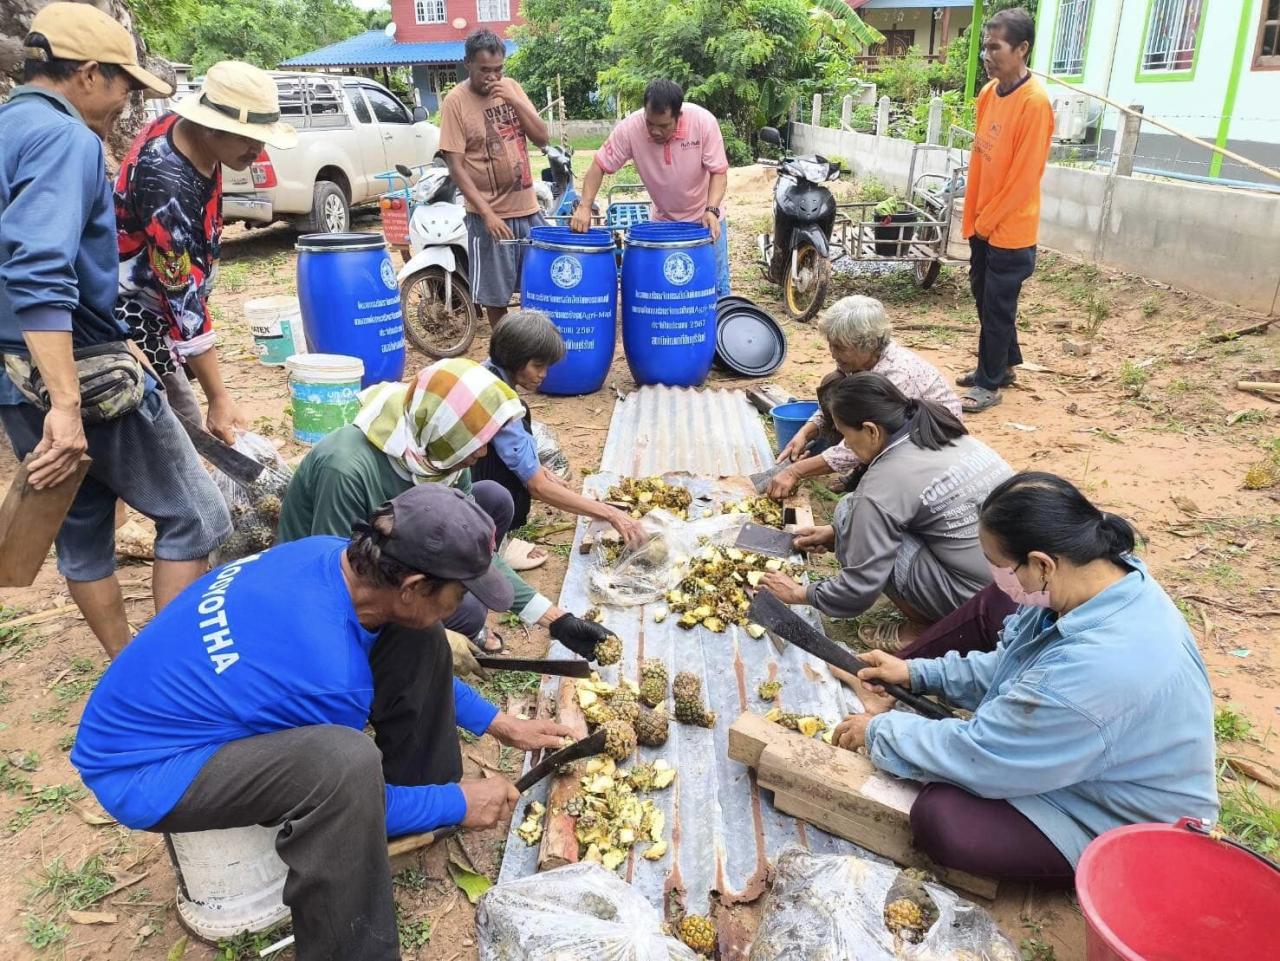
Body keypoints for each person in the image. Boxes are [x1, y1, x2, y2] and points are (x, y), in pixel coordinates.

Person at [71, 484, 573, 961]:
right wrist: (458, 801)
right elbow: (342, 793)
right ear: (415, 584)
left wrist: (497, 723)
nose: (465, 604)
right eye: (460, 592)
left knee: (419, 635)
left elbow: (400, 646)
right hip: (144, 768)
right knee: (345, 763)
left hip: (167, 704)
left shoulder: (336, 559)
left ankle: (424, 797)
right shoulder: (330, 678)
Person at [831, 472, 1219, 884]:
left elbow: (982, 756)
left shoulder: (1096, 669)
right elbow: (1013, 665)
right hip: (1085, 762)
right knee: (993, 611)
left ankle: (1113, 866)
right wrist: (914, 673)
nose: (998, 577)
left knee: (943, 819)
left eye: (1000, 566)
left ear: (1042, 564)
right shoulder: (1095, 582)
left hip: (1130, 820)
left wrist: (881, 732)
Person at [0, 4, 230, 659]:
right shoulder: (64, 139)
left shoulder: (9, 128)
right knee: (197, 513)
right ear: (88, 74)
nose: (128, 99)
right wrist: (68, 403)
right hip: (80, 376)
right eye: (125, 83)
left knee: (83, 526)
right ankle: (174, 675)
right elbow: (39, 267)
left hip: (17, 371)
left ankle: (127, 663)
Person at [277, 357, 630, 659]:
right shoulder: (348, 470)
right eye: (477, 443)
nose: (482, 453)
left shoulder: (438, 452)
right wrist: (428, 641)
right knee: (470, 609)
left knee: (492, 499)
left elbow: (475, 547)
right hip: (332, 576)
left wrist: (555, 619)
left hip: (392, 551)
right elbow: (337, 580)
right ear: (446, 429)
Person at [115, 60, 296, 440]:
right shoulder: (166, 183)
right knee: (180, 430)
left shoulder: (193, 140)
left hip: (167, 309)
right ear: (212, 127)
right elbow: (179, 293)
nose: (258, 148)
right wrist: (219, 396)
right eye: (248, 137)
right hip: (136, 314)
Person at [760, 373, 1012, 634]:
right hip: (1028, 594)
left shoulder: (883, 482)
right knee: (854, 516)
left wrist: (800, 593)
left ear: (871, 430)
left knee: (850, 508)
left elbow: (856, 593)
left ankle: (924, 629)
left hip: (984, 610)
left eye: (846, 436)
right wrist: (836, 533)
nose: (847, 445)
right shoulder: (943, 432)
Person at [474, 308, 646, 571]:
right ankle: (489, 542)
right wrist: (611, 514)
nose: (543, 374)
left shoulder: (483, 372)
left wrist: (537, 468)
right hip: (449, 485)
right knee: (516, 488)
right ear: (514, 357)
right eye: (537, 365)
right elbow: (538, 488)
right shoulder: (502, 404)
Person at [769, 296, 961, 499]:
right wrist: (805, 433)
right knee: (833, 382)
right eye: (831, 345)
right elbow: (838, 404)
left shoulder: (896, 375)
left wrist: (795, 471)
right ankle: (863, 468)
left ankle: (869, 472)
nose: (832, 354)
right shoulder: (860, 361)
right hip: (889, 428)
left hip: (932, 442)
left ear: (867, 345)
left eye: (839, 347)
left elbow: (865, 439)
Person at [958, 8, 1054, 414]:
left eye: (995, 47)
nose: (987, 55)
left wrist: (990, 219)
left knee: (998, 304)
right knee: (984, 296)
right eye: (985, 47)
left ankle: (989, 381)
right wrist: (975, 218)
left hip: (1011, 229)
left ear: (1022, 49)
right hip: (984, 222)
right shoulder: (987, 95)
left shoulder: (1035, 104)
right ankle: (1003, 364)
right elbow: (981, 160)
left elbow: (1023, 178)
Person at [571, 79, 732, 297]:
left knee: (716, 291)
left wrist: (711, 210)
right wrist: (584, 206)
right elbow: (599, 165)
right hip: (663, 223)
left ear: (678, 115)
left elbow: (719, 172)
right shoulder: (631, 128)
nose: (655, 131)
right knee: (664, 292)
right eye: (650, 123)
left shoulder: (703, 122)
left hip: (705, 221)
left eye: (664, 126)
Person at [439, 29, 549, 327]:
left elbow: (542, 137)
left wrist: (515, 100)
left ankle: (532, 352)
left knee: (538, 289)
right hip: (490, 217)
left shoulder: (511, 87)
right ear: (468, 64)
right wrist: (487, 214)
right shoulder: (455, 102)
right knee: (495, 298)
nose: (492, 77)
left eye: (498, 69)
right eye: (485, 70)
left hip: (529, 210)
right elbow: (455, 166)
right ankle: (508, 359)